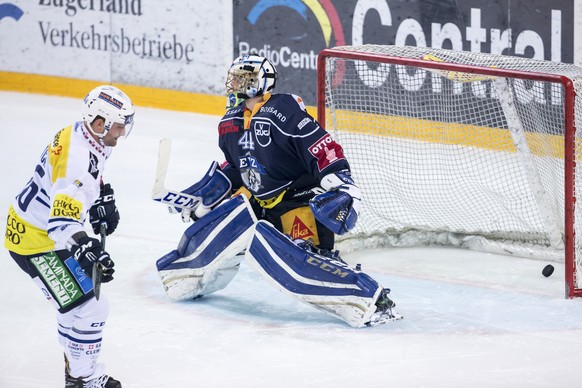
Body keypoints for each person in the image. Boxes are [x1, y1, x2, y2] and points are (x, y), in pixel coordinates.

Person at [156, 54, 400, 327]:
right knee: (224, 224)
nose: (235, 82)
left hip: (299, 202)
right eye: (234, 76)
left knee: (292, 261)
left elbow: (319, 146)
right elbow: (236, 169)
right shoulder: (230, 122)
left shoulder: (283, 110)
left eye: (244, 77)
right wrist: (203, 198)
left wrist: (340, 182)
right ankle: (184, 277)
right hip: (261, 204)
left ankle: (368, 300)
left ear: (262, 82)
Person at [4, 85, 135, 387]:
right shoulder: (77, 161)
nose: (122, 132)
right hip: (37, 242)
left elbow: (83, 178)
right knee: (91, 307)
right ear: (100, 123)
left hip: (34, 230)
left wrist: (100, 195)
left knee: (74, 305)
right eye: (118, 125)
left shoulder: (81, 133)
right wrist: (87, 247)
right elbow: (62, 224)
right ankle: (82, 378)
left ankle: (76, 369)